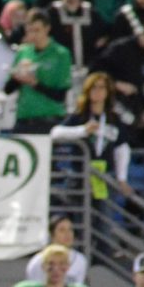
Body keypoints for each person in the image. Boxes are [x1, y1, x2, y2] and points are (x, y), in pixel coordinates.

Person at [52, 73, 132, 204]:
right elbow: (56, 133)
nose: (97, 91)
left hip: (104, 176)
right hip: (80, 176)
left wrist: (122, 178)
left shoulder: (114, 118)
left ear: (108, 92)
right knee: (80, 212)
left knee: (102, 212)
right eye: (94, 87)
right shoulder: (80, 115)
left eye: (102, 87)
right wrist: (83, 130)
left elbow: (122, 147)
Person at [6, 10, 71, 134]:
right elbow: (7, 90)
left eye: (37, 30)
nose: (33, 35)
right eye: (29, 31)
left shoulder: (61, 54)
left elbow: (60, 96)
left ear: (47, 29)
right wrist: (17, 77)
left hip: (49, 119)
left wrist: (35, 83)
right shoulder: (23, 52)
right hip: (24, 118)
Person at [23, 216, 90, 285]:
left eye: (70, 229)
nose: (67, 234)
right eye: (62, 230)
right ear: (52, 235)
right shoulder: (38, 261)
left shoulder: (80, 260)